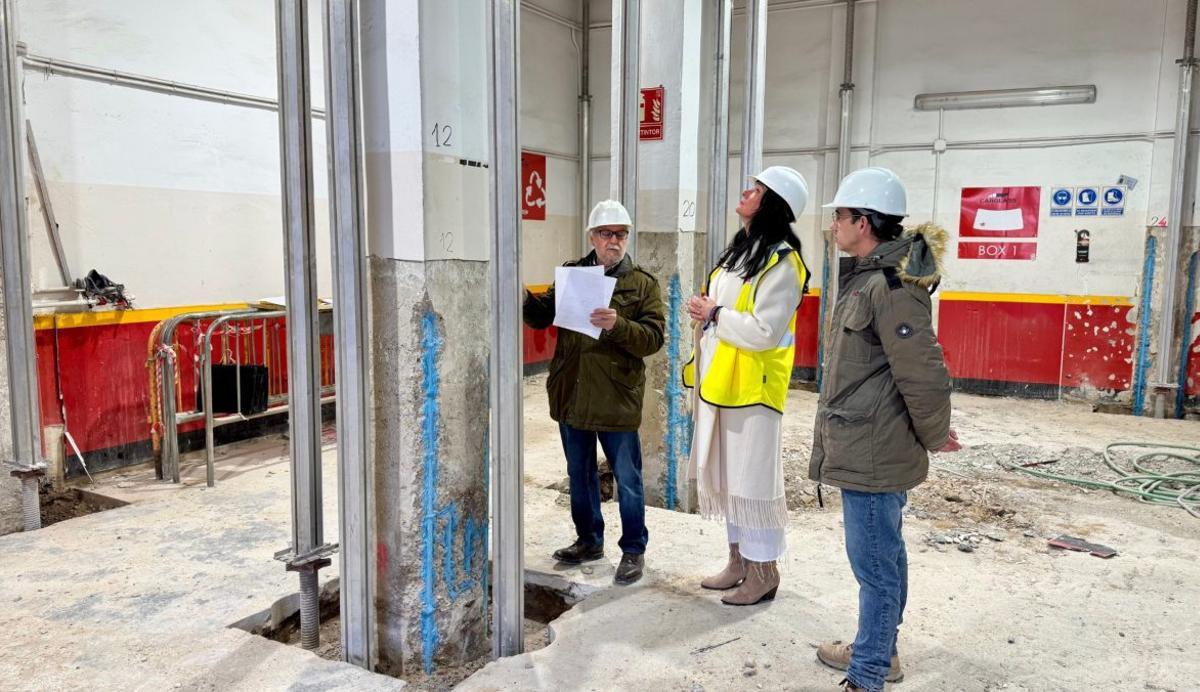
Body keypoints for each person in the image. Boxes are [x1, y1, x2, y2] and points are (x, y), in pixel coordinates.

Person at [808, 167, 952, 692]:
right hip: (864, 436)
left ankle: (867, 673)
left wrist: (935, 433)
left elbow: (923, 370)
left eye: (840, 217)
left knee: (874, 566)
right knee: (883, 554)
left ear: (863, 222)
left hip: (874, 447)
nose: (834, 226)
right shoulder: (869, 278)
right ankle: (879, 651)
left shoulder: (891, 288)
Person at [683, 166, 811, 606]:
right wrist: (704, 309)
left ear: (772, 203)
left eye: (756, 190)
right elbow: (720, 307)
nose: (745, 191)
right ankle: (738, 562)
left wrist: (715, 314)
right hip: (721, 382)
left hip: (754, 391)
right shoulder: (742, 252)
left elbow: (765, 331)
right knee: (729, 477)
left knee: (753, 482)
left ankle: (764, 572)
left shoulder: (782, 262)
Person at [522, 199, 665, 586]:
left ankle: (633, 549)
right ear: (592, 236)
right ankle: (589, 540)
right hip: (573, 393)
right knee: (579, 474)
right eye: (606, 233)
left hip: (617, 398)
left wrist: (618, 324)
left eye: (620, 234)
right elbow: (541, 317)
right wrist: (524, 298)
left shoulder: (642, 285)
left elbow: (653, 338)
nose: (613, 241)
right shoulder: (572, 275)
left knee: (628, 478)